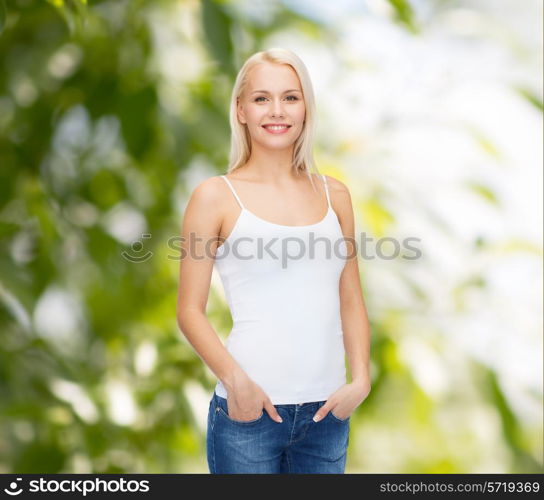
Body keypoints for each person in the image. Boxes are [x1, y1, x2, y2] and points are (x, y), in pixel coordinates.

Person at [177, 48, 371, 474]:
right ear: (241, 109)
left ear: (306, 108)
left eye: (291, 97)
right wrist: (236, 383)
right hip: (249, 414)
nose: (277, 110)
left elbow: (351, 296)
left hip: (327, 415)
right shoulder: (214, 196)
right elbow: (189, 311)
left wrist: (360, 380)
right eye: (262, 98)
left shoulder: (334, 194)